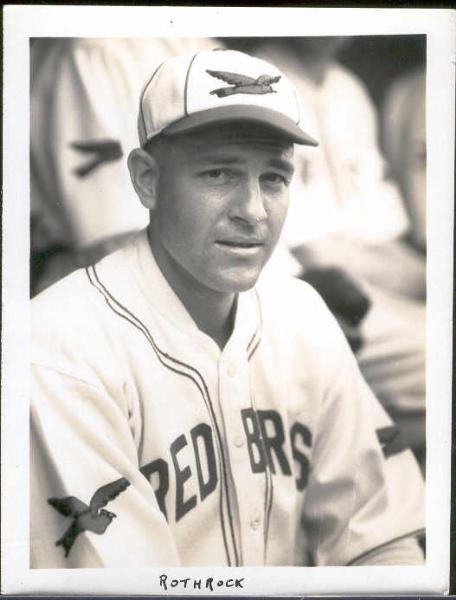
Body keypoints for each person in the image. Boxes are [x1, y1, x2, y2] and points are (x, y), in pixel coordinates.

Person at [31, 49, 424, 568]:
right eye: (219, 175)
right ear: (147, 180)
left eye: (275, 178)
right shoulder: (59, 349)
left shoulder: (302, 314)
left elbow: (381, 542)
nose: (253, 211)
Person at [254, 38, 426, 462]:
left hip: (365, 290)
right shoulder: (256, 82)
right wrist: (404, 275)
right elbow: (316, 257)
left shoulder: (347, 89)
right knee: (436, 353)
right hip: (299, 295)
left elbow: (390, 243)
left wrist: (410, 276)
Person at [30, 37, 217, 295]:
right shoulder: (93, 49)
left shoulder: (201, 43)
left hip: (191, 283)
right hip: (97, 292)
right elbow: (112, 242)